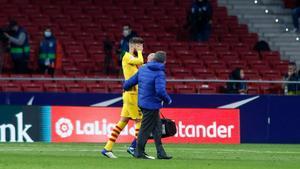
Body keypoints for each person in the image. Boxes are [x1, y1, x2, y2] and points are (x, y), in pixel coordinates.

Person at [102, 37, 149, 159]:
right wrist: (138, 51)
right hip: (132, 94)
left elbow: (141, 65)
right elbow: (140, 61)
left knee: (123, 121)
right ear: (134, 46)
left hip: (130, 94)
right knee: (140, 121)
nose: (142, 49)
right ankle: (135, 148)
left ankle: (107, 148)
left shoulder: (131, 59)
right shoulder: (127, 56)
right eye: (140, 46)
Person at [123, 51, 173, 160]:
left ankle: (161, 153)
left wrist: (125, 87)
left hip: (143, 103)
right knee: (145, 130)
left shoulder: (143, 69)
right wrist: (168, 100)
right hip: (152, 105)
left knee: (157, 128)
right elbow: (160, 91)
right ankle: (139, 152)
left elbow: (129, 82)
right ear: (164, 61)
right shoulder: (160, 73)